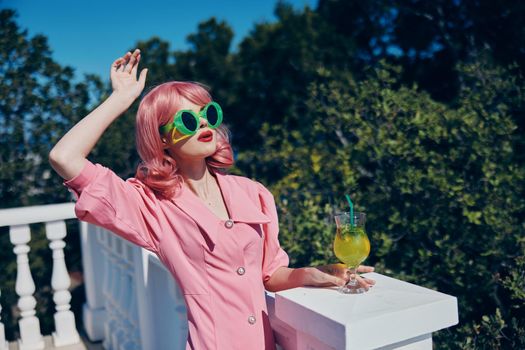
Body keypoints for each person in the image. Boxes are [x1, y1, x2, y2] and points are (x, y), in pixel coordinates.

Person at [49, 49, 375, 350]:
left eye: (208, 113)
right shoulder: (150, 205)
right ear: (162, 139)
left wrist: (314, 274)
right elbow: (64, 156)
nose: (203, 123)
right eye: (188, 121)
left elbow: (270, 276)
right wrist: (121, 99)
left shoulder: (253, 193)